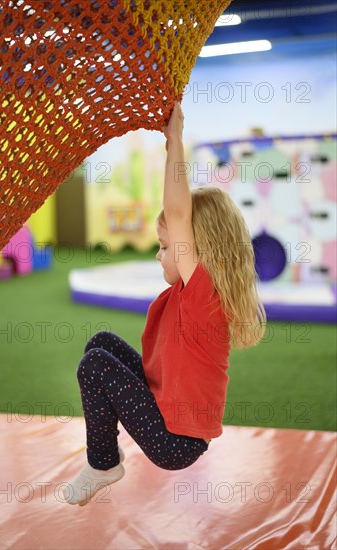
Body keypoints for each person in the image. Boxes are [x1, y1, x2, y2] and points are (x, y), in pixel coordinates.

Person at [63, 102, 266, 506]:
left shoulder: (204, 294)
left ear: (199, 248)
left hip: (175, 440)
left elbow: (177, 211)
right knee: (100, 344)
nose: (159, 254)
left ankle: (103, 463)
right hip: (162, 408)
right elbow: (177, 219)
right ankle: (108, 453)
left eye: (166, 246)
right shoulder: (191, 293)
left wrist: (174, 141)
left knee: (95, 365)